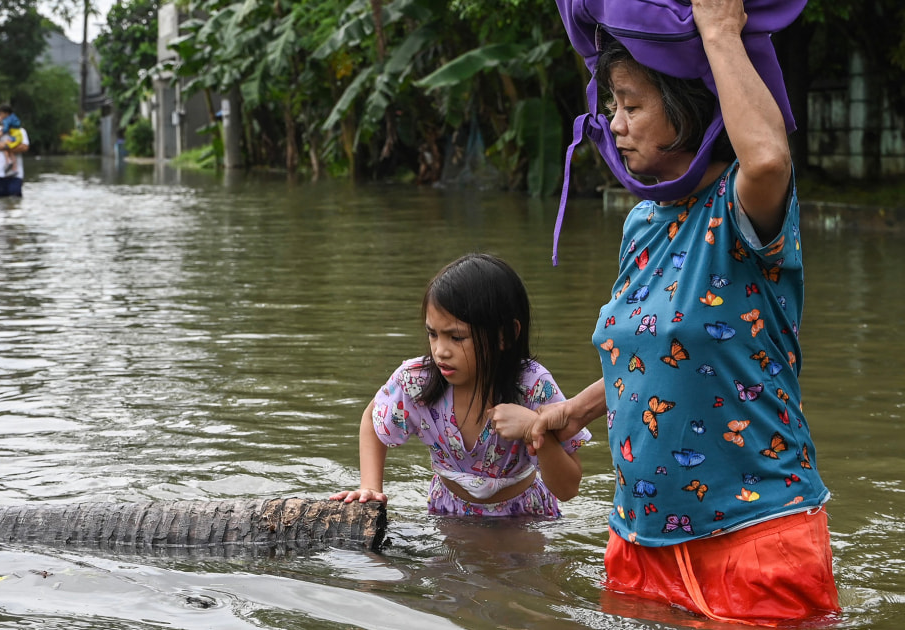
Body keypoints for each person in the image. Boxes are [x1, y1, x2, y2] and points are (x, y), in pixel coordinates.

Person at [491, 0, 839, 623]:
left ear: (684, 109)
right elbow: (651, 353)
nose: (614, 125)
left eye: (632, 105)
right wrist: (567, 413)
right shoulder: (642, 224)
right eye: (612, 106)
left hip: (754, 538)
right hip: (638, 542)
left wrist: (719, 30)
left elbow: (767, 159)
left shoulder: (743, 216)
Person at [330, 254, 590, 517]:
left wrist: (535, 431)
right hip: (448, 513)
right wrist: (371, 487)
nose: (441, 351)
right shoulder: (417, 381)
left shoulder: (533, 387)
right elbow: (373, 417)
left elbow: (568, 489)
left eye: (456, 337)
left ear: (505, 335)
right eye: (433, 334)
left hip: (524, 518)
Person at [0, 104, 29, 198]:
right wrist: (3, 131)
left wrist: (5, 147)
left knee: (15, 200)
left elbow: (24, 147)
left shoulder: (20, 131)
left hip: (15, 174)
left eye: (5, 115)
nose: (2, 117)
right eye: (0, 115)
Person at [0, 111, 24, 177]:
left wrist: (0, 132)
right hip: (17, 138)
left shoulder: (6, 121)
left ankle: (8, 161)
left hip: (14, 138)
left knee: (5, 147)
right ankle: (14, 168)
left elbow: (5, 129)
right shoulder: (14, 120)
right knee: (10, 151)